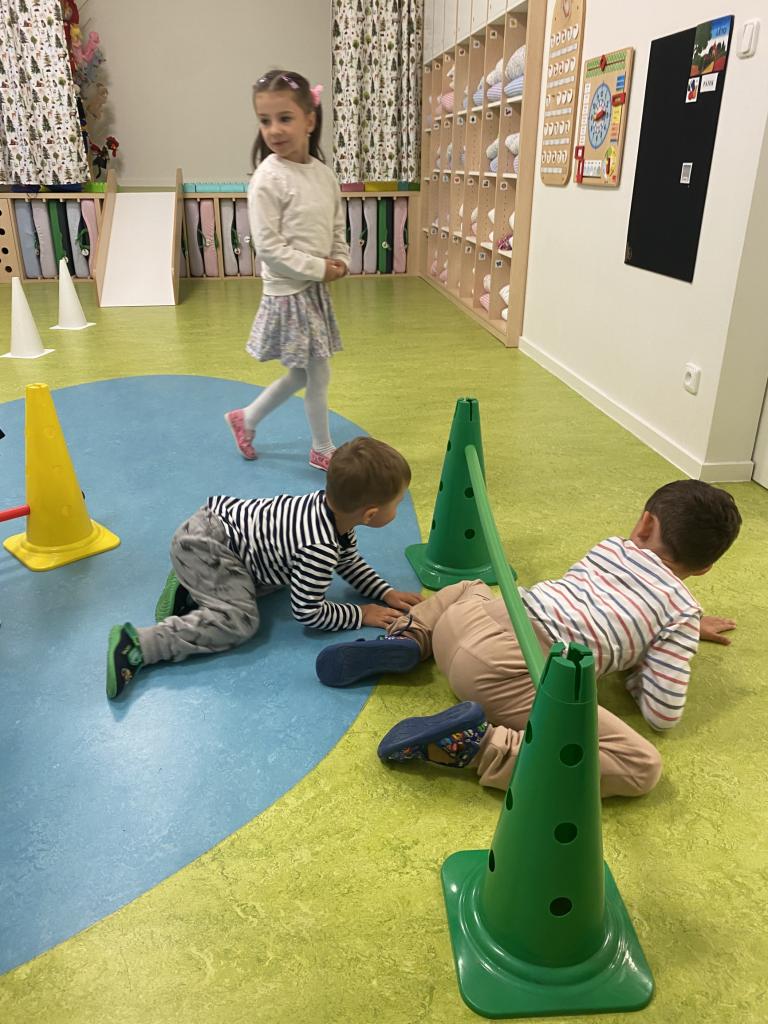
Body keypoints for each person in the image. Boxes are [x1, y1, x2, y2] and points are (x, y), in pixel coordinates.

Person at [315, 480, 742, 798]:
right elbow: (662, 713)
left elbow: (601, 601)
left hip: (467, 622)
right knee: (641, 766)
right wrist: (655, 652)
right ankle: (476, 746)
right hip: (509, 673)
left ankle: (411, 637)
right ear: (705, 568)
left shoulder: (611, 548)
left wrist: (666, 629)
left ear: (645, 523)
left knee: (470, 587)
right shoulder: (681, 611)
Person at [106, 438, 422, 699]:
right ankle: (140, 645)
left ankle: (194, 585)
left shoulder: (328, 510)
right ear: (369, 515)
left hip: (216, 534)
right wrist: (360, 614)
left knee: (280, 576)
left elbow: (348, 561)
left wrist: (384, 592)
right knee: (240, 622)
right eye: (398, 503)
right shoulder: (319, 547)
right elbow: (309, 613)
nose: (399, 507)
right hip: (206, 546)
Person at [224, 69, 350, 472]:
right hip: (288, 292)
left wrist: (341, 259)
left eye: (285, 118)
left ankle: (246, 418)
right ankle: (322, 448)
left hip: (312, 289)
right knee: (318, 373)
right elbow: (269, 248)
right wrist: (318, 268)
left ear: (310, 120)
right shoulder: (267, 179)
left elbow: (336, 227)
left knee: (302, 374)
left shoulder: (324, 175)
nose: (274, 130)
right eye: (265, 120)